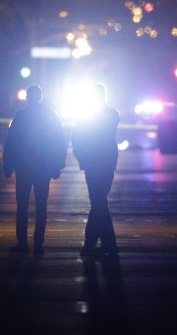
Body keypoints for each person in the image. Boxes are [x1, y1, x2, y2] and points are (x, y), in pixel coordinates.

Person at [2, 85, 67, 256]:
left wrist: (8, 165)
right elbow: (59, 142)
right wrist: (57, 165)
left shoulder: (21, 116)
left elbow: (11, 142)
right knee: (41, 207)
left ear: (28, 98)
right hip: (42, 167)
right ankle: (38, 244)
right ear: (40, 97)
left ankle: (22, 243)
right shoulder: (50, 116)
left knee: (22, 206)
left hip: (24, 167)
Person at [71, 83, 121, 258]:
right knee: (100, 203)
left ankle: (93, 244)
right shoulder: (111, 114)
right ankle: (107, 244)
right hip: (105, 163)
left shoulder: (90, 116)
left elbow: (76, 138)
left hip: (94, 164)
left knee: (98, 203)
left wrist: (83, 159)